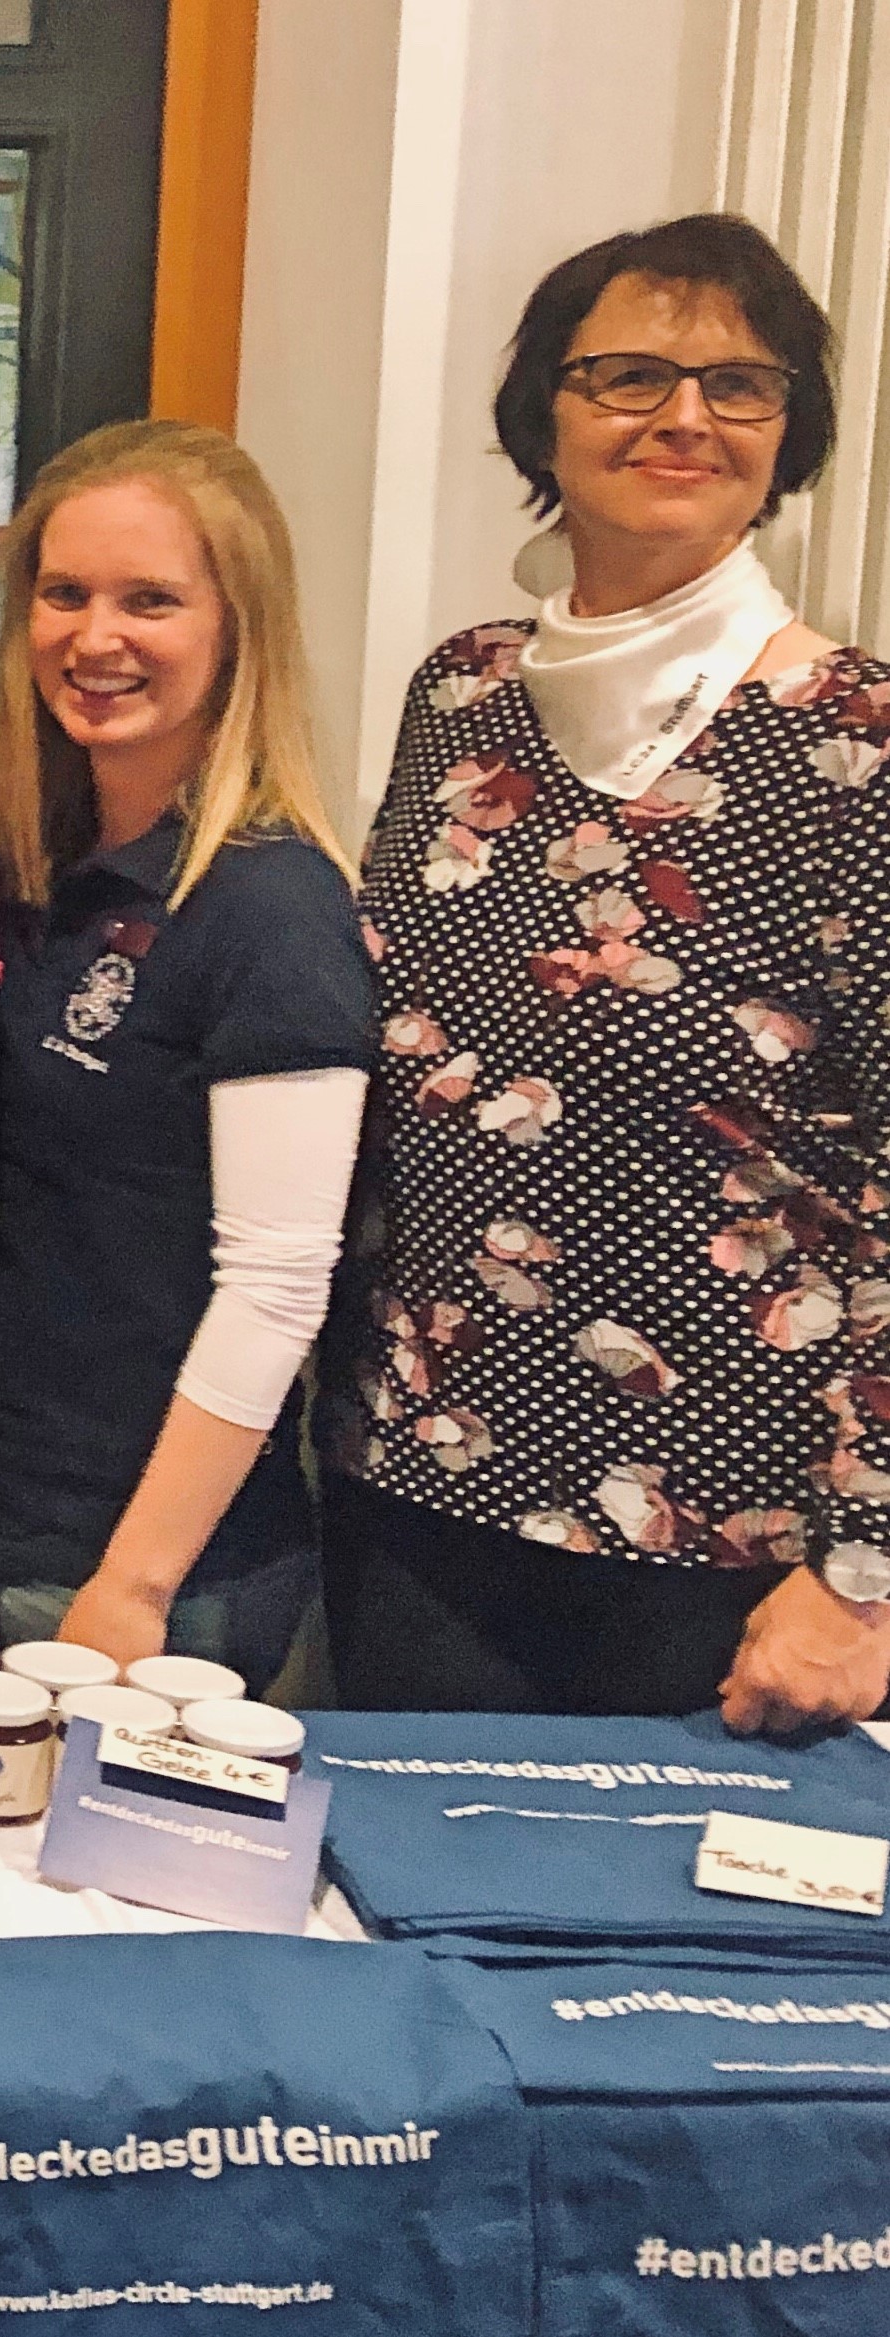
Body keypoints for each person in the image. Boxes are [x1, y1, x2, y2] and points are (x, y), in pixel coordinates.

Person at [329, 213, 890, 1732]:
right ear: (544, 417)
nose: (683, 417)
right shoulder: (461, 694)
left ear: (786, 435)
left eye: (738, 385)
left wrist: (862, 1573)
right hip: (419, 1483)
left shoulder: (855, 741)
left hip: (726, 1553)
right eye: (629, 375)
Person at [0, 421, 371, 1692]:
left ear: (238, 627)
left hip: (149, 1583)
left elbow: (276, 1287)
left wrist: (133, 1588)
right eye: (63, 594)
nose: (95, 637)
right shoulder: (31, 868)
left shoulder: (269, 905)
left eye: (151, 601)